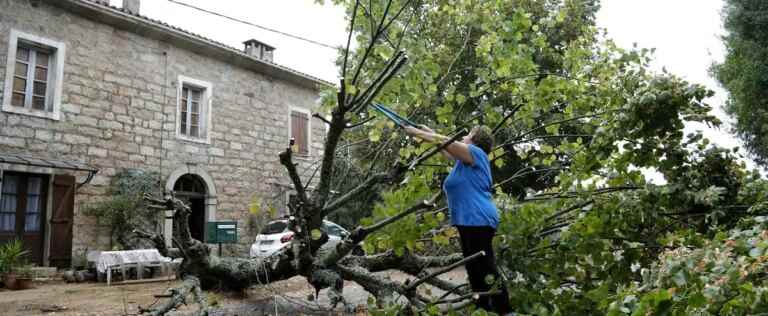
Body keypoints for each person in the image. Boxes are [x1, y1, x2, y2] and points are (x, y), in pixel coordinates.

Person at [404, 124, 512, 315]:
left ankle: (506, 311)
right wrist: (427, 131)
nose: (464, 137)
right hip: (469, 220)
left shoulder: (476, 153)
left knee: (485, 268)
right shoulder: (463, 162)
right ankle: (483, 309)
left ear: (475, 141)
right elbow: (444, 147)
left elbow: (445, 141)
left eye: (468, 134)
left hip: (478, 218)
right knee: (474, 270)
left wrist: (417, 133)